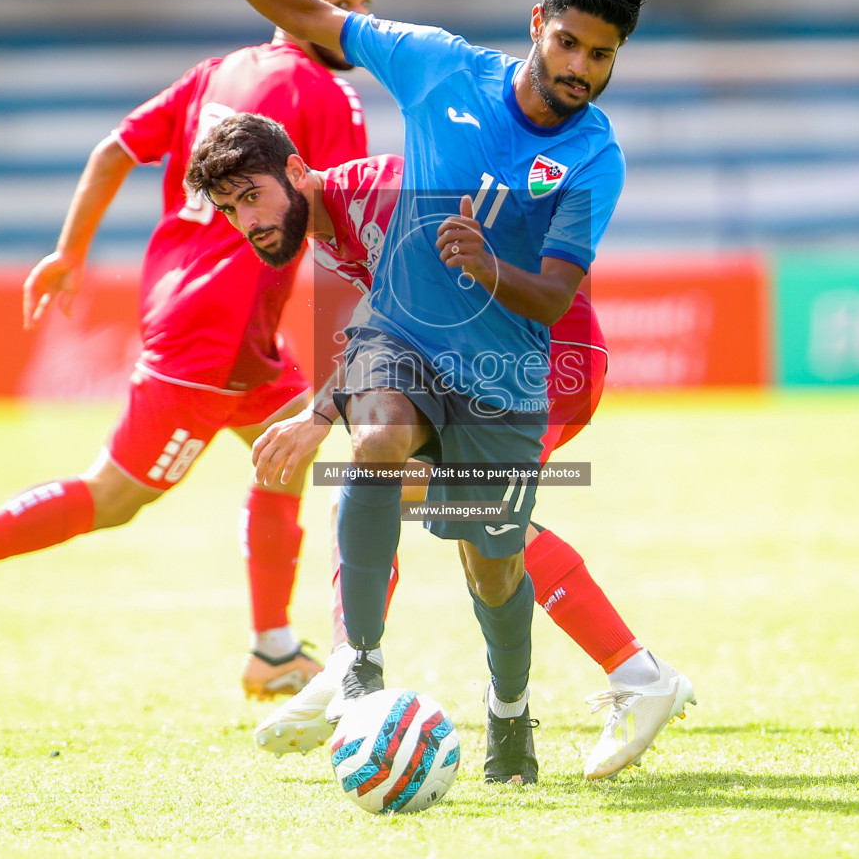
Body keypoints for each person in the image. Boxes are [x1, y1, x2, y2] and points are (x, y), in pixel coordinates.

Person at [135, 0, 654, 785]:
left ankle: (592, 685)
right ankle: (357, 664)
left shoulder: (591, 156)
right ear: (538, 24)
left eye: (598, 55)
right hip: (436, 353)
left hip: (543, 358)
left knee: (482, 540)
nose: (577, 66)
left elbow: (551, 293)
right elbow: (308, 12)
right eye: (567, 42)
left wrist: (482, 276)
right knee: (387, 460)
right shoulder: (437, 72)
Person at [0, 0, 378, 701]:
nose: (356, 22)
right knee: (114, 497)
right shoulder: (328, 96)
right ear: (291, 3)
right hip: (215, 331)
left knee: (286, 452)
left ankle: (272, 651)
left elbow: (112, 150)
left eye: (365, 4)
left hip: (207, 315)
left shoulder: (217, 72)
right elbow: (340, 212)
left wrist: (68, 252)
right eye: (340, 5)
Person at [188, 111, 695, 780]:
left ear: (297, 173)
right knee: (432, 502)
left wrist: (317, 412)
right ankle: (393, 678)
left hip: (541, 364)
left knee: (457, 511)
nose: (245, 220)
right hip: (474, 366)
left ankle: (635, 672)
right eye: (228, 209)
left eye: (251, 196)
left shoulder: (384, 194)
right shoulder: (327, 230)